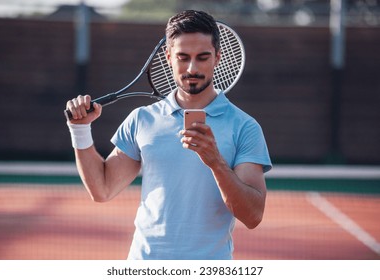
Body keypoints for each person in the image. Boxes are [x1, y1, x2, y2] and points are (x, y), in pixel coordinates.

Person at [65, 10, 272, 260]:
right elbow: (102, 190)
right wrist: (80, 129)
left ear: (217, 57)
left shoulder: (245, 127)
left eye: (202, 57)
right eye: (183, 57)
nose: (192, 68)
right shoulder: (142, 119)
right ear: (168, 57)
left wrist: (215, 162)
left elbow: (252, 216)